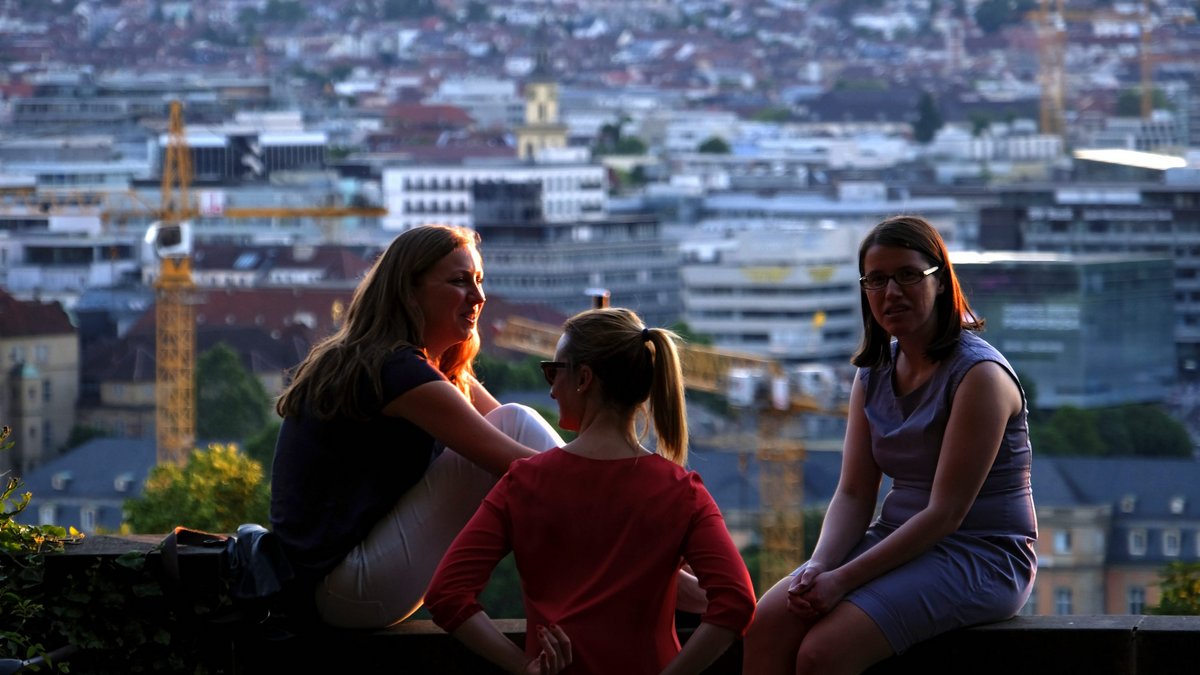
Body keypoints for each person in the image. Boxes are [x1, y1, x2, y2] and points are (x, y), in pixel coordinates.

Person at [742, 215, 1038, 675]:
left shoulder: (979, 377)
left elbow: (946, 514)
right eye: (876, 280)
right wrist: (820, 565)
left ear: (940, 281)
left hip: (979, 552)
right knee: (769, 622)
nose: (891, 292)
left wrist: (843, 579)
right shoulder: (874, 371)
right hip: (900, 538)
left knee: (823, 653)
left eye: (907, 275)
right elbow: (855, 492)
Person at [425, 307, 757, 675]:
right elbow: (737, 602)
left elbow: (447, 594)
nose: (551, 389)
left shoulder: (524, 483)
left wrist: (523, 667)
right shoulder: (681, 492)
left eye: (554, 371)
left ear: (584, 378)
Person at [270, 224, 567, 629]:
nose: (478, 297)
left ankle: (658, 579)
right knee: (525, 438)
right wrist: (626, 487)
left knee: (522, 436)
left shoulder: (417, 367)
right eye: (459, 282)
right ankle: (657, 580)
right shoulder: (398, 371)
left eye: (478, 281)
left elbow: (518, 449)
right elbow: (524, 463)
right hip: (340, 588)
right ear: (409, 292)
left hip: (341, 583)